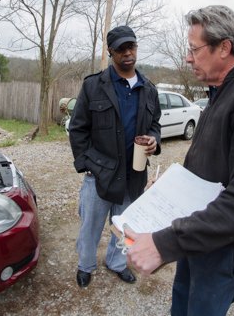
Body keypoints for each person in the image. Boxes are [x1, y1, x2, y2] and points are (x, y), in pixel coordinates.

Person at [126, 5, 234, 315]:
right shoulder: (220, 93)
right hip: (201, 234)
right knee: (183, 302)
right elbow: (209, 166)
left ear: (224, 48)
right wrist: (168, 189)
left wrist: (164, 244)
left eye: (194, 49)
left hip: (227, 244)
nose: (188, 57)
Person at [68, 25, 162, 288]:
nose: (127, 53)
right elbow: (77, 129)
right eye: (121, 49)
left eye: (131, 47)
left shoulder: (149, 89)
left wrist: (155, 140)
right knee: (90, 228)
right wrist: (88, 165)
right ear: (110, 52)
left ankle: (117, 263)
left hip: (134, 174)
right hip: (100, 175)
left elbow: (155, 124)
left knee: (124, 228)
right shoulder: (93, 86)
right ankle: (85, 265)